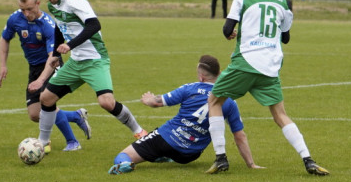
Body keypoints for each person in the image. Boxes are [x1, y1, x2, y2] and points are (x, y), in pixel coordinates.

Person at [204, 0, 328, 176]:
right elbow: (286, 38)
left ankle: (221, 158)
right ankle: (308, 159)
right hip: (270, 67)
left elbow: (226, 29)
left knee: (214, 100)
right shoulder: (282, 1)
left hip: (245, 62)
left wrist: (233, 32)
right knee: (280, 114)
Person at [29, 0, 146, 149]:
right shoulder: (53, 5)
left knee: (106, 102)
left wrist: (69, 45)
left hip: (95, 60)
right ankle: (42, 143)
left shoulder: (75, 1)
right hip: (75, 63)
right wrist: (57, 54)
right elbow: (60, 27)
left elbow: (94, 25)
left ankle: (139, 131)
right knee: (46, 98)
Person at [108, 55, 260, 174]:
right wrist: (251, 164)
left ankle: (124, 166)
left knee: (122, 156)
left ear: (201, 77)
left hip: (166, 139)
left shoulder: (190, 89)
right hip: (190, 154)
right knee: (167, 150)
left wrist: (148, 99)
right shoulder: (230, 101)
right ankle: (163, 156)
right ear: (219, 74)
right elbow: (239, 136)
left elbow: (157, 102)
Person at [0, 0, 91, 152]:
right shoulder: (15, 18)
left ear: (38, 3)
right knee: (35, 114)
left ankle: (73, 142)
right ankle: (76, 116)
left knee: (47, 100)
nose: (26, 13)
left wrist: (40, 80)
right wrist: (3, 65)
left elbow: (52, 57)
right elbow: (4, 39)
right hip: (34, 67)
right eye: (22, 9)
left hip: (52, 64)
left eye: (29, 9)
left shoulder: (48, 25)